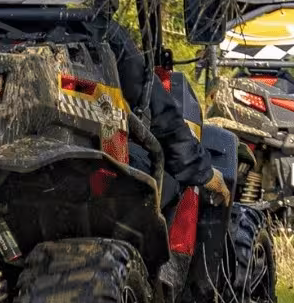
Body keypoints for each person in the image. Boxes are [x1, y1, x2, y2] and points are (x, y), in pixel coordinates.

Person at [99, 21, 231, 206]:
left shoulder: (50, 30)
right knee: (170, 178)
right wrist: (202, 170)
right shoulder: (100, 31)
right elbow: (161, 115)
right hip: (99, 186)